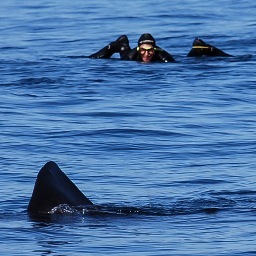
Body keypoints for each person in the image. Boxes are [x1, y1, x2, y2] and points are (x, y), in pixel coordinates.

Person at [89, 33, 175, 63]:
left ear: (155, 49)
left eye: (150, 50)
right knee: (94, 58)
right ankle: (117, 45)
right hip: (129, 55)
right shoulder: (130, 56)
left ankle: (123, 45)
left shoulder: (163, 55)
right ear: (138, 49)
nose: (146, 54)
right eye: (143, 50)